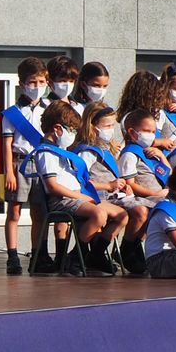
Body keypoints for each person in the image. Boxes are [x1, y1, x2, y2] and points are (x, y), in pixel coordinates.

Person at [32, 101, 126, 276]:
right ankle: (76, 257)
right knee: (99, 214)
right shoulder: (46, 152)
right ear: (58, 129)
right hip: (62, 200)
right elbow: (53, 187)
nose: (74, 134)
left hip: (77, 197)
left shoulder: (61, 150)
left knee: (122, 215)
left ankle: (94, 255)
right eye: (72, 130)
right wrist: (82, 197)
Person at [74, 103, 149, 273]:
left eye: (112, 126)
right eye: (106, 126)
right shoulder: (87, 152)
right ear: (92, 127)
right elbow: (81, 182)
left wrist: (122, 186)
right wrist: (109, 185)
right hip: (97, 197)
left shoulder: (107, 149)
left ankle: (122, 249)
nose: (110, 130)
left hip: (113, 196)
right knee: (138, 212)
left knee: (148, 209)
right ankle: (99, 253)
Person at [0, 56, 48, 275]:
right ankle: (12, 255)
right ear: (22, 83)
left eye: (41, 82)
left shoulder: (51, 109)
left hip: (44, 164)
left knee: (39, 212)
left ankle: (37, 254)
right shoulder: (12, 113)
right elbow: (7, 144)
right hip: (20, 164)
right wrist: (9, 171)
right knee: (15, 212)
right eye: (32, 82)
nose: (37, 87)